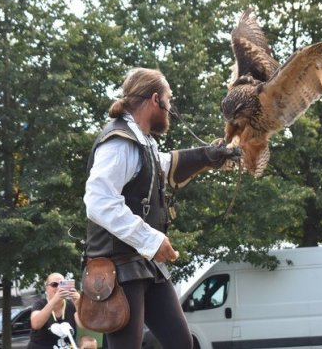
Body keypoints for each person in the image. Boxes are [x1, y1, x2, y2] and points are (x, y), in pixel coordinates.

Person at [83, 68, 241, 349]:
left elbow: (163, 166)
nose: (171, 109)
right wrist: (150, 239)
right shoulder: (119, 142)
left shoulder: (143, 142)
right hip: (119, 268)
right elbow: (98, 201)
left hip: (146, 264)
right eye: (169, 100)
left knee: (181, 343)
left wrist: (209, 156)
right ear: (156, 99)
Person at [27, 272, 82, 349]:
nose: (59, 288)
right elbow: (36, 325)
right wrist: (54, 301)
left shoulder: (71, 305)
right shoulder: (40, 304)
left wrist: (78, 304)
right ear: (47, 288)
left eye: (62, 284)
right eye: (54, 285)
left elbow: (82, 325)